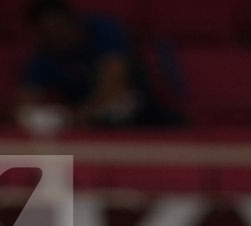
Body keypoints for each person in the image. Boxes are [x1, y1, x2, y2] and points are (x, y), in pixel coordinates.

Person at [17, 0, 152, 131]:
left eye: (59, 27)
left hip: (141, 119)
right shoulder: (45, 54)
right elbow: (22, 103)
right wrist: (34, 117)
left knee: (119, 109)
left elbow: (114, 87)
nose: (57, 36)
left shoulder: (103, 30)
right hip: (85, 125)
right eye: (48, 32)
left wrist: (71, 118)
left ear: (73, 21)